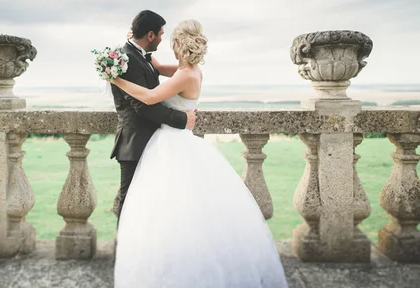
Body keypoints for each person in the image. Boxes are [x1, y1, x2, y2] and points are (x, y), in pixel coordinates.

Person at [109, 19, 288, 288]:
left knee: (171, 207)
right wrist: (131, 44)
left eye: (171, 41)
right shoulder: (190, 70)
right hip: (179, 141)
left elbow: (147, 98)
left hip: (171, 143)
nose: (166, 43)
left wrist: (116, 79)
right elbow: (154, 65)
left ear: (179, 44)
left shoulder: (184, 75)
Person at [110, 10, 197, 222]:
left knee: (152, 203)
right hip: (135, 143)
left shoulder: (141, 55)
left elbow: (155, 68)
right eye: (160, 34)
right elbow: (145, 106)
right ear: (150, 35)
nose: (161, 39)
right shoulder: (128, 59)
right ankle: (125, 251)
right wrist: (183, 119)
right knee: (129, 200)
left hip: (155, 142)